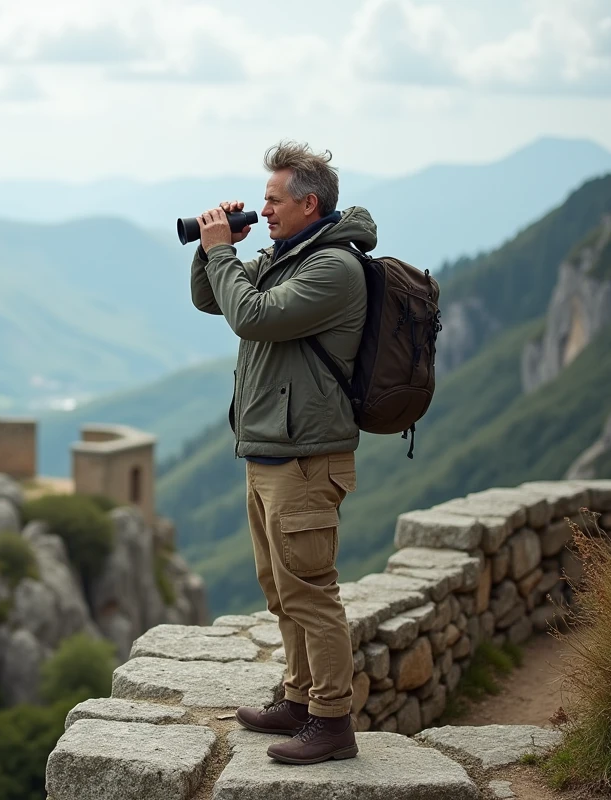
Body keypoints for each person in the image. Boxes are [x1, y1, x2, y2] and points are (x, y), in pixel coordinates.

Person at [189, 140, 375, 765]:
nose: (263, 209)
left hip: (305, 459)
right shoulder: (287, 255)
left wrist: (223, 253)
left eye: (272, 200)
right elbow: (212, 298)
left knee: (312, 592)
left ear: (309, 202)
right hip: (269, 452)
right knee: (280, 588)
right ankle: (299, 699)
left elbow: (251, 316)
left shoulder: (332, 269)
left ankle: (331, 721)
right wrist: (213, 248)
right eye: (262, 200)